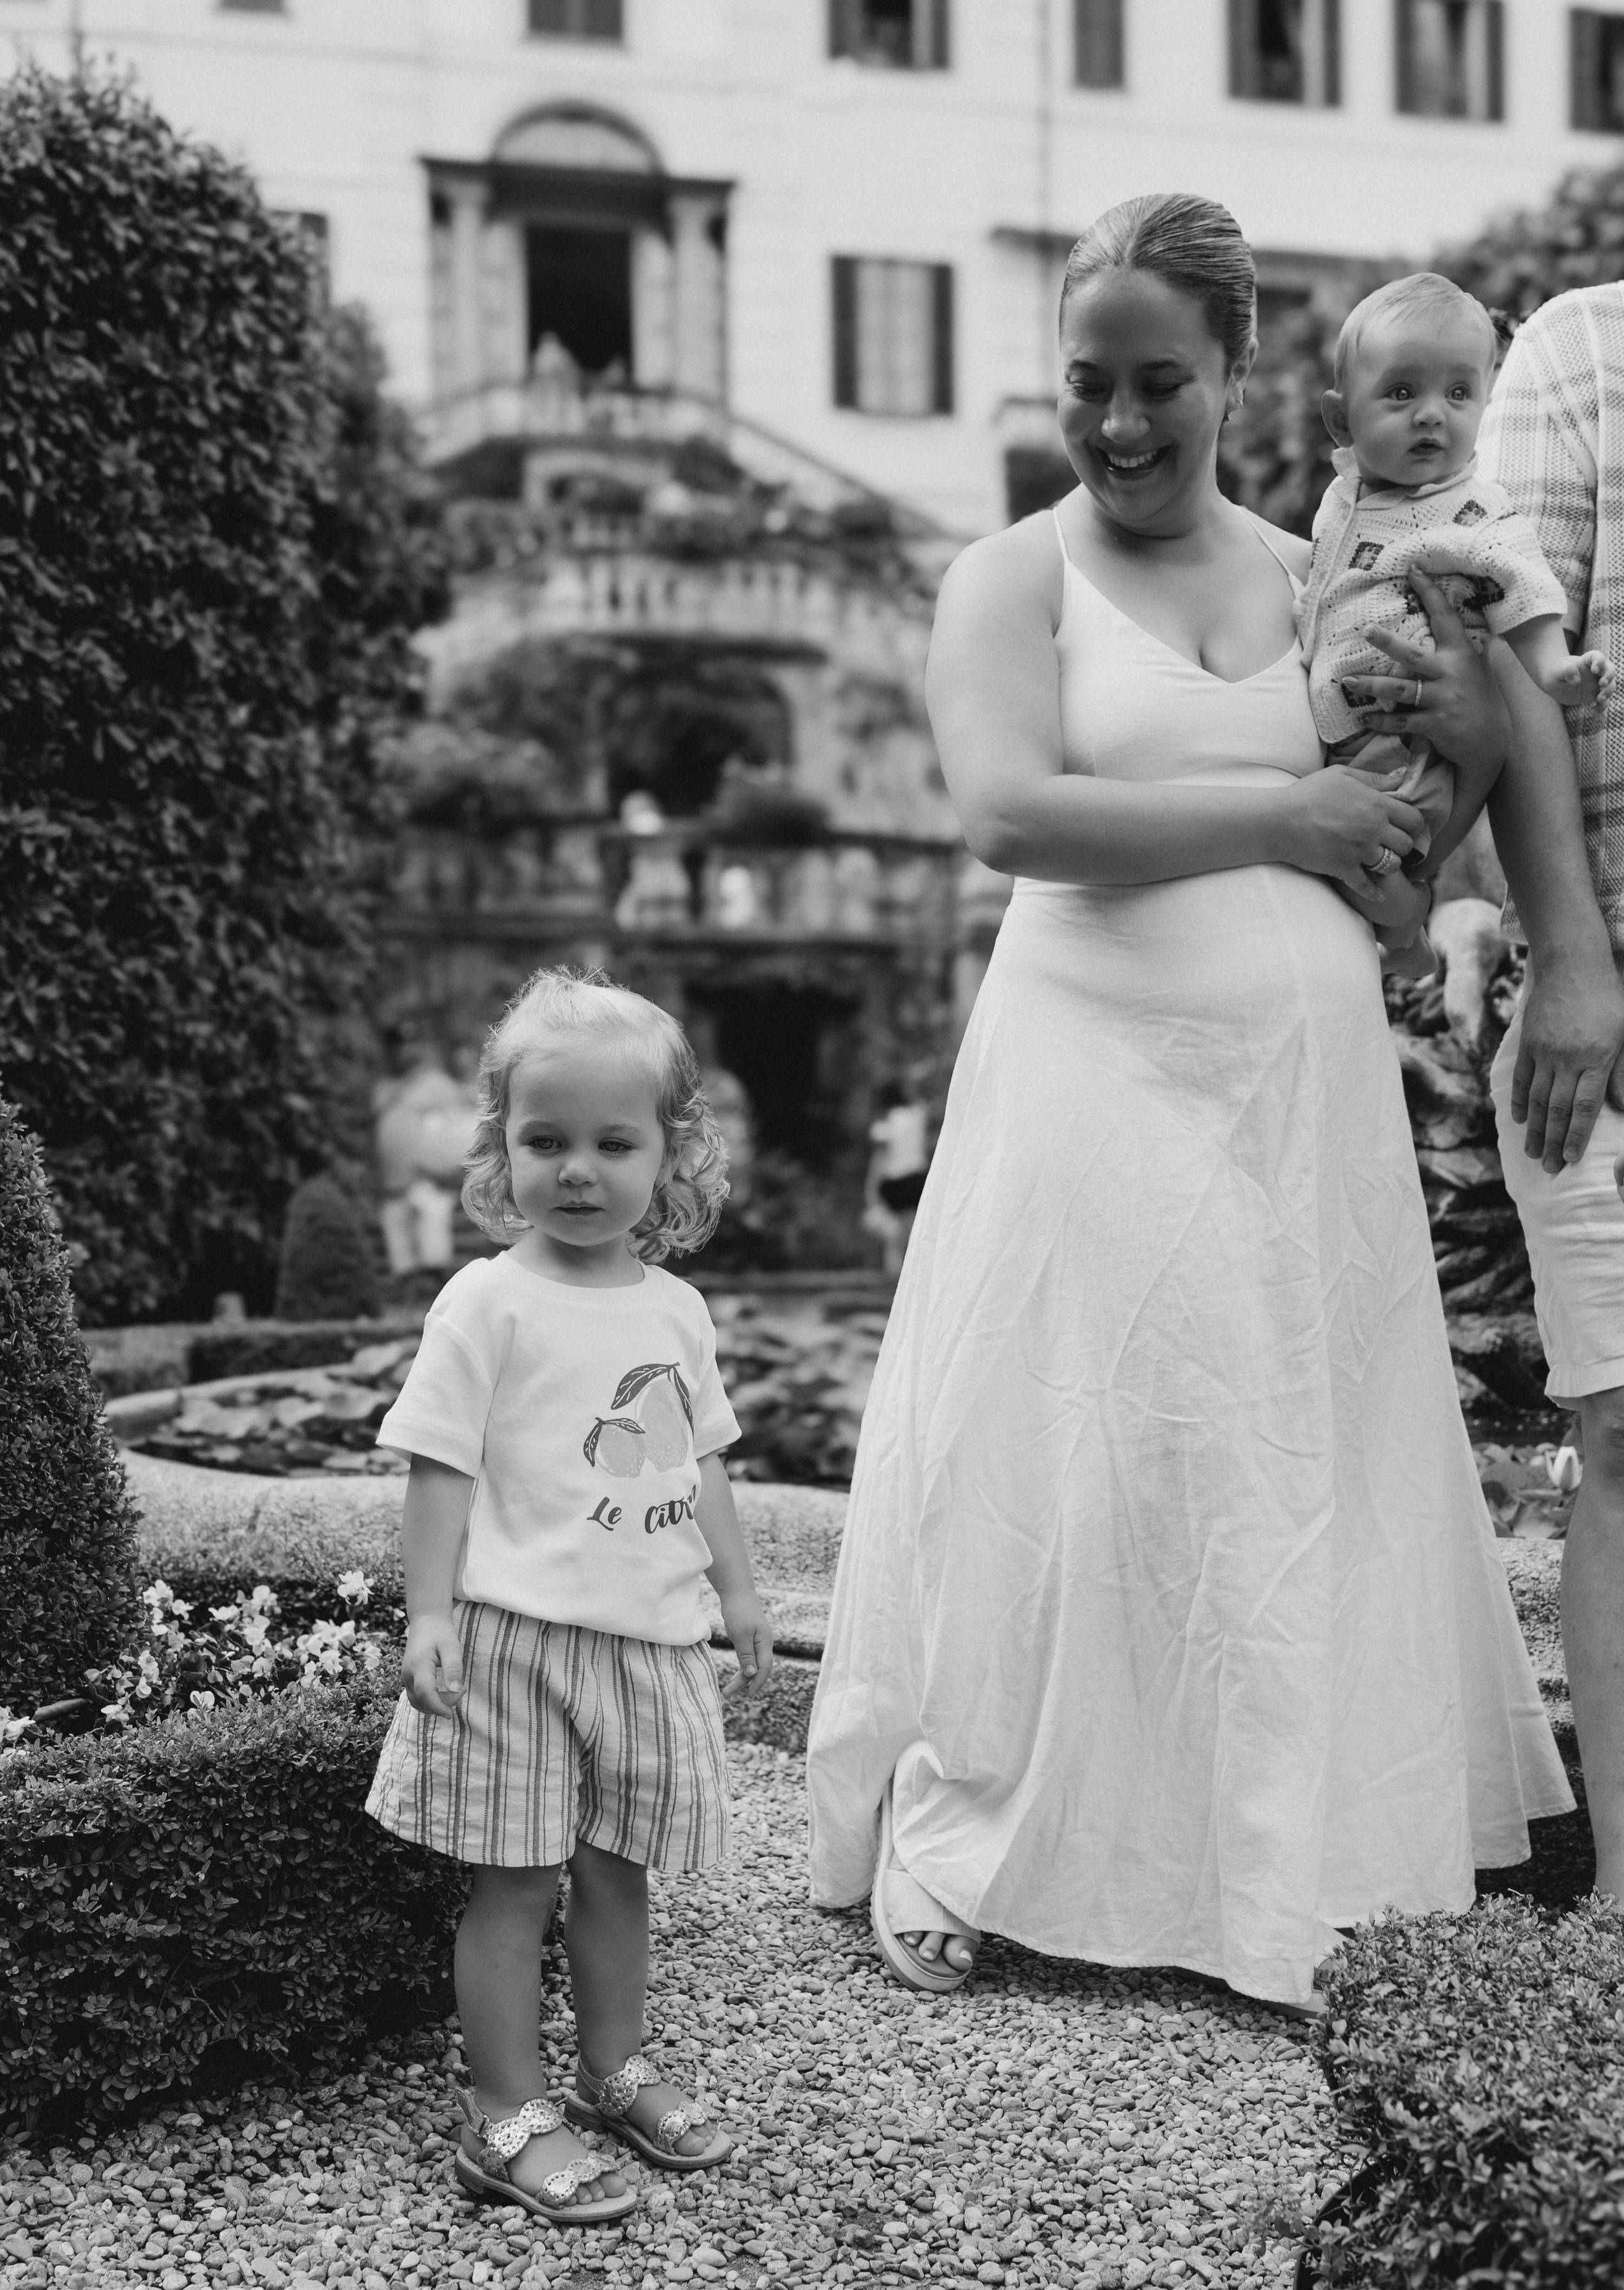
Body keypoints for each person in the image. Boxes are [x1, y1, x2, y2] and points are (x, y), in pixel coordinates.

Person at [805, 193, 1572, 2016]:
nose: (1125, 420)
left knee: (1268, 1470)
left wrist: (1401, 857)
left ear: (1236, 378)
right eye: (1091, 382)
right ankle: (965, 1829)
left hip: (1294, 1101)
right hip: (1086, 1083)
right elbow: (1010, 813)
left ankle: (1270, 1874)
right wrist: (1282, 817)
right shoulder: (1009, 575)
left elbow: (1400, 850)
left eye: (1164, 382)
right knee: (1056, 1459)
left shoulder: (1324, 579)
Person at [365, 967, 775, 2225]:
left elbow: (698, 1459)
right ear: (503, 1148)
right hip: (515, 1638)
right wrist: (428, 1609)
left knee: (617, 1869)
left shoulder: (674, 1307)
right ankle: (507, 2110)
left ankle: (613, 2065)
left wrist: (740, 1588)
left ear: (670, 1152)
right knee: (514, 1878)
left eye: (613, 1141)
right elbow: (442, 1458)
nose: (580, 1169)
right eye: (547, 1140)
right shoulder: (484, 1297)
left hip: (646, 1643)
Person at [1476, 283, 1624, 1902]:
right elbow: (1507, 665)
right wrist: (1568, 958)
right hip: (1607, 995)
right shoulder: (1575, 352)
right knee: (1618, 1428)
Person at [1300, 273, 1614, 976]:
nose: (1431, 416)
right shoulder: (1341, 499)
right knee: (1339, 841)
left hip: (1412, 740)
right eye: (1401, 392)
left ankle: (1406, 939)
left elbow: (1522, 589)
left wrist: (1552, 670)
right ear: (1339, 420)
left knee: (1378, 847)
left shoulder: (1473, 510)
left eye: (1458, 393)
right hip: (1343, 723)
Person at [864, 1083, 932, 1278]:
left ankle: (896, 1275)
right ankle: (913, 1271)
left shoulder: (886, 1122)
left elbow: (880, 1156)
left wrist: (871, 1188)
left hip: (896, 1182)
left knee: (896, 1235)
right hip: (918, 1179)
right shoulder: (917, 1115)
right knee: (912, 1228)